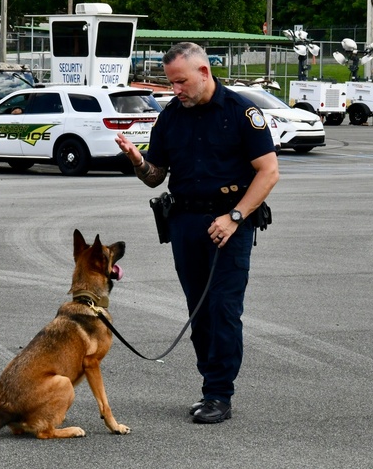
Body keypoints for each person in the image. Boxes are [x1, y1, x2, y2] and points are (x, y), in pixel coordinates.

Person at [115, 42, 279, 424]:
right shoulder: (171, 117)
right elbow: (156, 177)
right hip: (186, 223)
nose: (175, 90)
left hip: (229, 224)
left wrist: (236, 216)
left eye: (181, 82)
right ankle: (210, 386)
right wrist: (139, 161)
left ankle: (220, 394)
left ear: (204, 72)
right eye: (171, 83)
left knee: (223, 309)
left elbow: (268, 171)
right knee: (199, 310)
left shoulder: (241, 112)